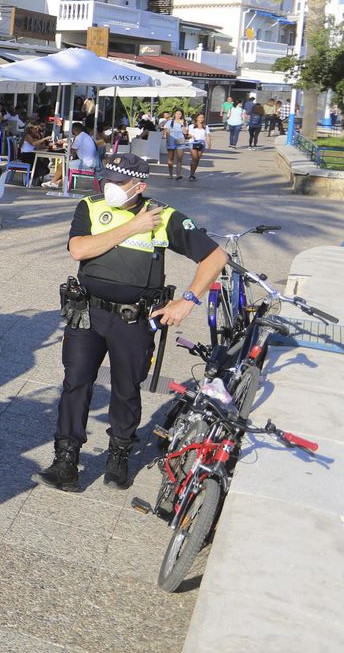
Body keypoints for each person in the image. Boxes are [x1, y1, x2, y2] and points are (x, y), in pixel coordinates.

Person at [37, 153, 228, 493]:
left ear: (140, 186)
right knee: (75, 383)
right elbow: (78, 250)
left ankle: (119, 456)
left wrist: (188, 301)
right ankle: (66, 461)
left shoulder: (164, 216)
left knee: (126, 389)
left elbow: (216, 256)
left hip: (133, 319)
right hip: (87, 313)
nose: (109, 187)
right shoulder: (91, 206)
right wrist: (131, 227)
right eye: (107, 179)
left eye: (118, 183)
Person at [161, 109, 186, 181]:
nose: (178, 115)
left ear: (182, 115)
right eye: (177, 114)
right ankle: (170, 174)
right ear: (174, 114)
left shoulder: (183, 122)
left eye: (180, 114)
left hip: (180, 140)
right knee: (170, 158)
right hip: (171, 140)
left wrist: (182, 124)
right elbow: (167, 132)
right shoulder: (170, 122)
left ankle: (178, 174)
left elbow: (185, 132)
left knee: (179, 158)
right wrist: (168, 140)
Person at [186, 113, 209, 180]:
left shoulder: (205, 126)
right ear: (196, 118)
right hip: (193, 143)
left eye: (202, 117)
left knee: (197, 159)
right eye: (200, 117)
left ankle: (193, 173)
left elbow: (207, 135)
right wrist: (191, 136)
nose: (201, 119)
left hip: (201, 143)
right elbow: (188, 135)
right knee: (194, 158)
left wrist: (209, 144)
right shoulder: (191, 126)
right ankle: (191, 174)